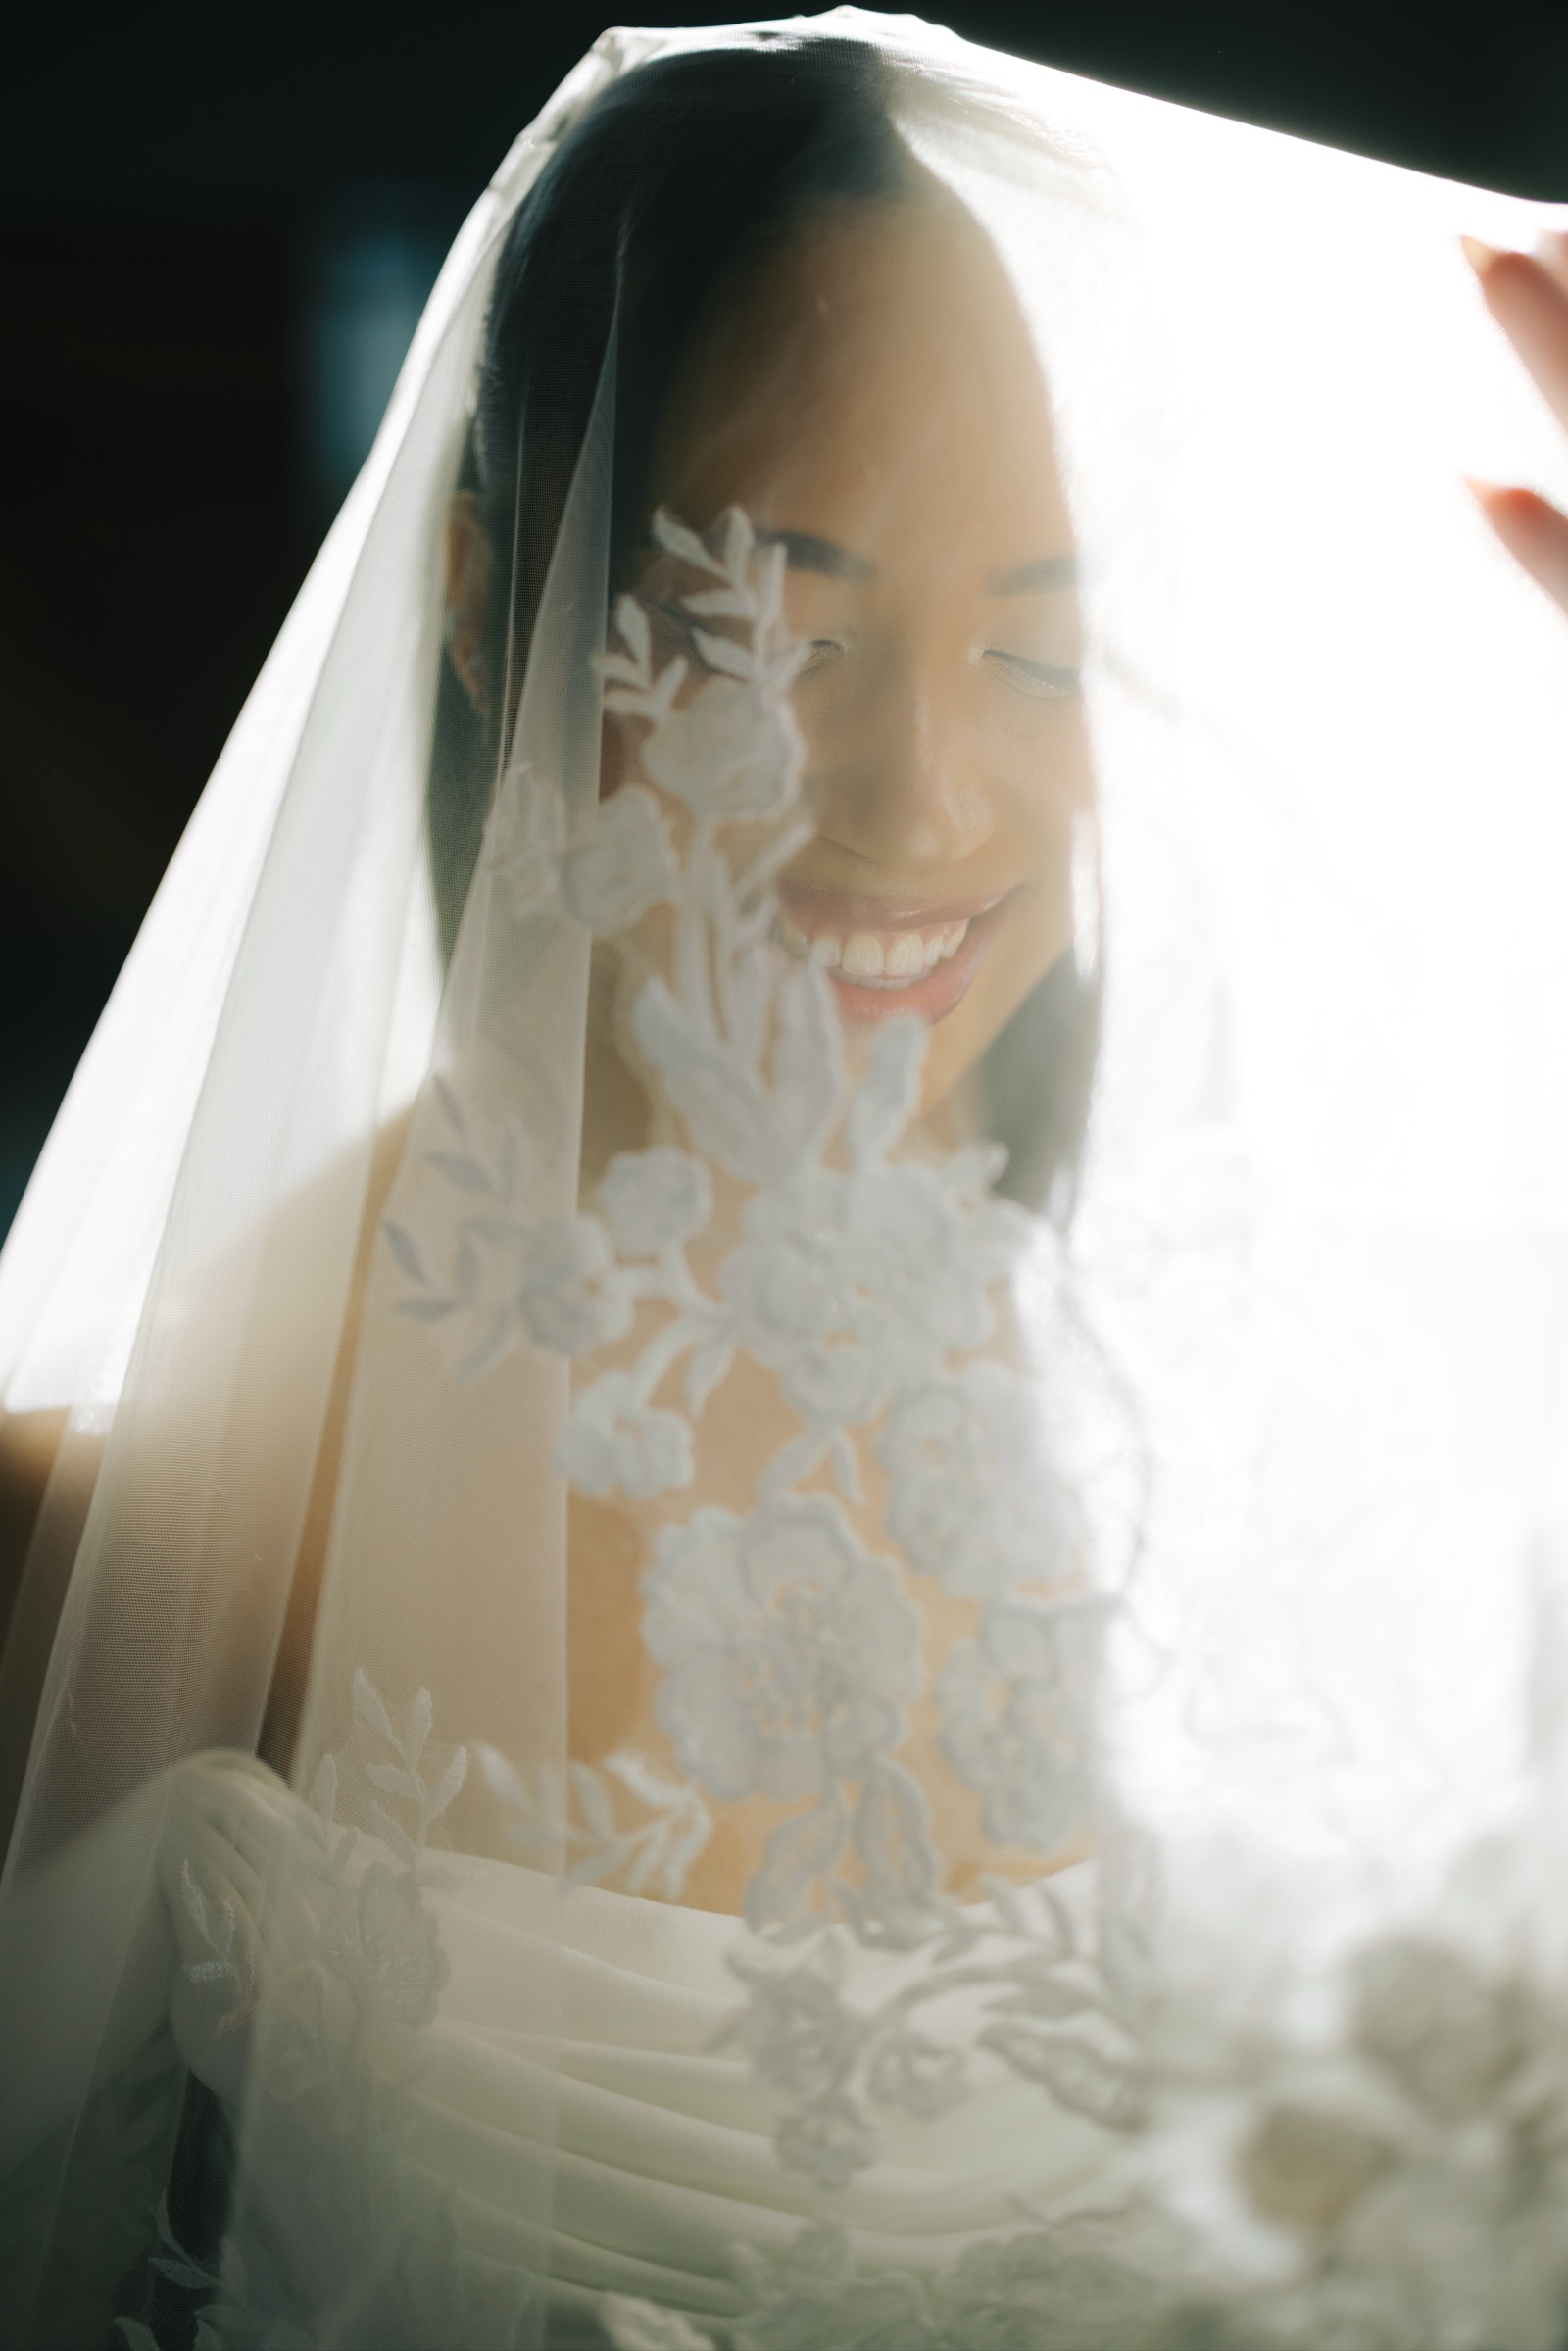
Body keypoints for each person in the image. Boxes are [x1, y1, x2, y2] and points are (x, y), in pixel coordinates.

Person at [5, 14, 1568, 2347]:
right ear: (486, 598)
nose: (922, 801)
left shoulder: (1211, 1407)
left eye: (1027, 652)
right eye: (793, 637)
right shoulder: (225, 1481)